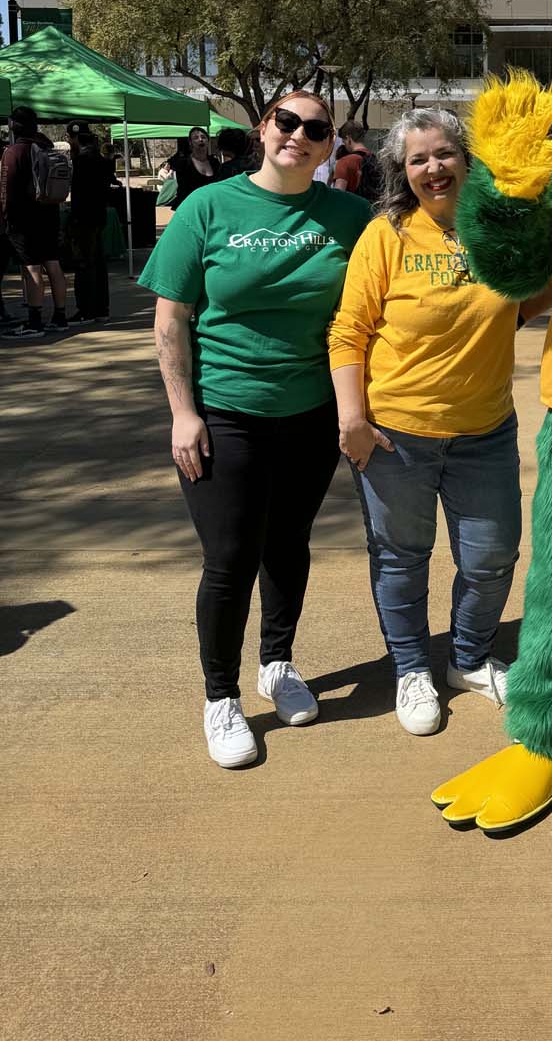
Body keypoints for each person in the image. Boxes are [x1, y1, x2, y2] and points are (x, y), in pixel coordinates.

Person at [139, 91, 371, 769]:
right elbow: (170, 319)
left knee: (289, 545)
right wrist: (184, 412)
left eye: (316, 129)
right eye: (287, 121)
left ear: (330, 145)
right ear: (262, 128)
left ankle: (277, 663)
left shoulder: (351, 217)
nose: (298, 135)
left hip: (309, 413)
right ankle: (221, 697)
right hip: (225, 413)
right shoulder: (207, 208)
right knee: (232, 557)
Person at [328, 107, 532, 736]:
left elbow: (529, 295)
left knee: (493, 556)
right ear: (402, 171)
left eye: (443, 154)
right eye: (417, 159)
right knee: (401, 558)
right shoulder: (386, 235)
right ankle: (413, 669)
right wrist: (352, 420)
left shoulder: (497, 230)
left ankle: (467, 660)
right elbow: (349, 331)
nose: (432, 168)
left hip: (485, 431)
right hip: (397, 436)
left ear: (468, 159)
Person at [0, 106, 70, 338]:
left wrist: (6, 218)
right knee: (53, 264)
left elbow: (6, 189)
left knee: (31, 267)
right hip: (49, 213)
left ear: (13, 125)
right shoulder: (45, 145)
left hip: (24, 219)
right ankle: (60, 317)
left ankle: (34, 321)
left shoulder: (14, 151)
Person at [65, 122, 114, 324]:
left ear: (75, 139)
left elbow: (78, 194)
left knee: (84, 264)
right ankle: (101, 308)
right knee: (99, 263)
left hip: (83, 218)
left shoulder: (80, 162)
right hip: (98, 216)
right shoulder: (101, 160)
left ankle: (86, 309)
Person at [164, 127, 218, 209]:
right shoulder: (184, 163)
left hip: (210, 205)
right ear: (190, 143)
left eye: (203, 137)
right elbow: (182, 190)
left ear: (208, 140)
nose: (200, 140)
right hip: (189, 206)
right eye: (196, 138)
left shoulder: (214, 162)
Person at [331, 121, 382, 205]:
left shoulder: (345, 162)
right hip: (374, 212)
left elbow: (338, 196)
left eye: (344, 141)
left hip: (353, 213)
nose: (344, 144)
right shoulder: (375, 159)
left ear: (348, 139)